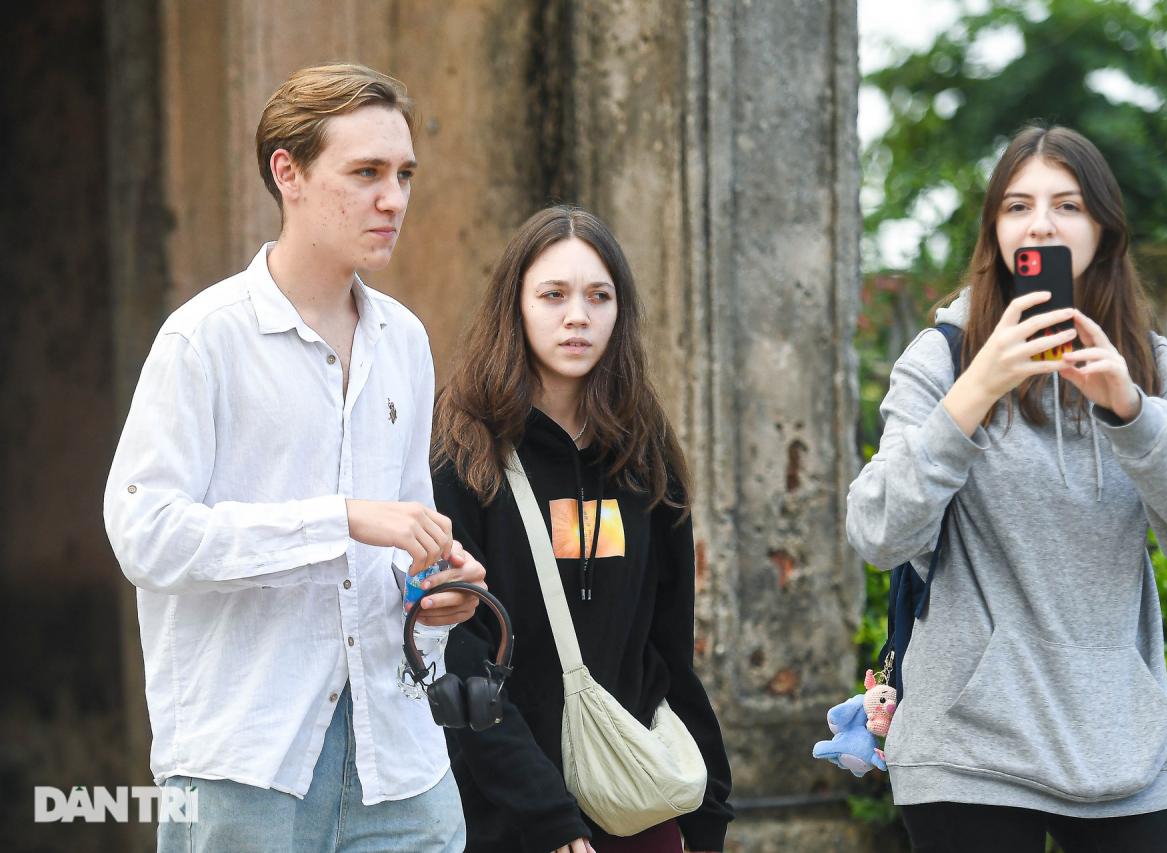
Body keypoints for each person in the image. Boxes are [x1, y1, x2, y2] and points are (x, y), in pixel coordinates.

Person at [103, 63, 485, 852]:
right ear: (290, 173)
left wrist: (436, 595)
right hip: (248, 768)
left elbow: (404, 537)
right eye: (367, 172)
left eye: (405, 174)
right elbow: (145, 532)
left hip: (402, 763)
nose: (394, 199)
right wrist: (339, 519)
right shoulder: (203, 339)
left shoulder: (405, 341)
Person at [845, 125, 1167, 852]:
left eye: (1066, 204)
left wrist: (1130, 411)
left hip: (1127, 745)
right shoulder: (942, 358)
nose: (1040, 222)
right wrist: (976, 391)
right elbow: (878, 531)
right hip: (967, 752)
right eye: (1017, 206)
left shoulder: (1157, 370)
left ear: (1103, 226)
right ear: (996, 231)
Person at [431, 205, 734, 853]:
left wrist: (710, 813)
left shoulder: (644, 456)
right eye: (553, 295)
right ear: (514, 305)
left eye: (600, 296)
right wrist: (548, 816)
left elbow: (670, 650)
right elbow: (460, 660)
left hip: (638, 805)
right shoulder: (463, 455)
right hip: (511, 817)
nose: (578, 316)